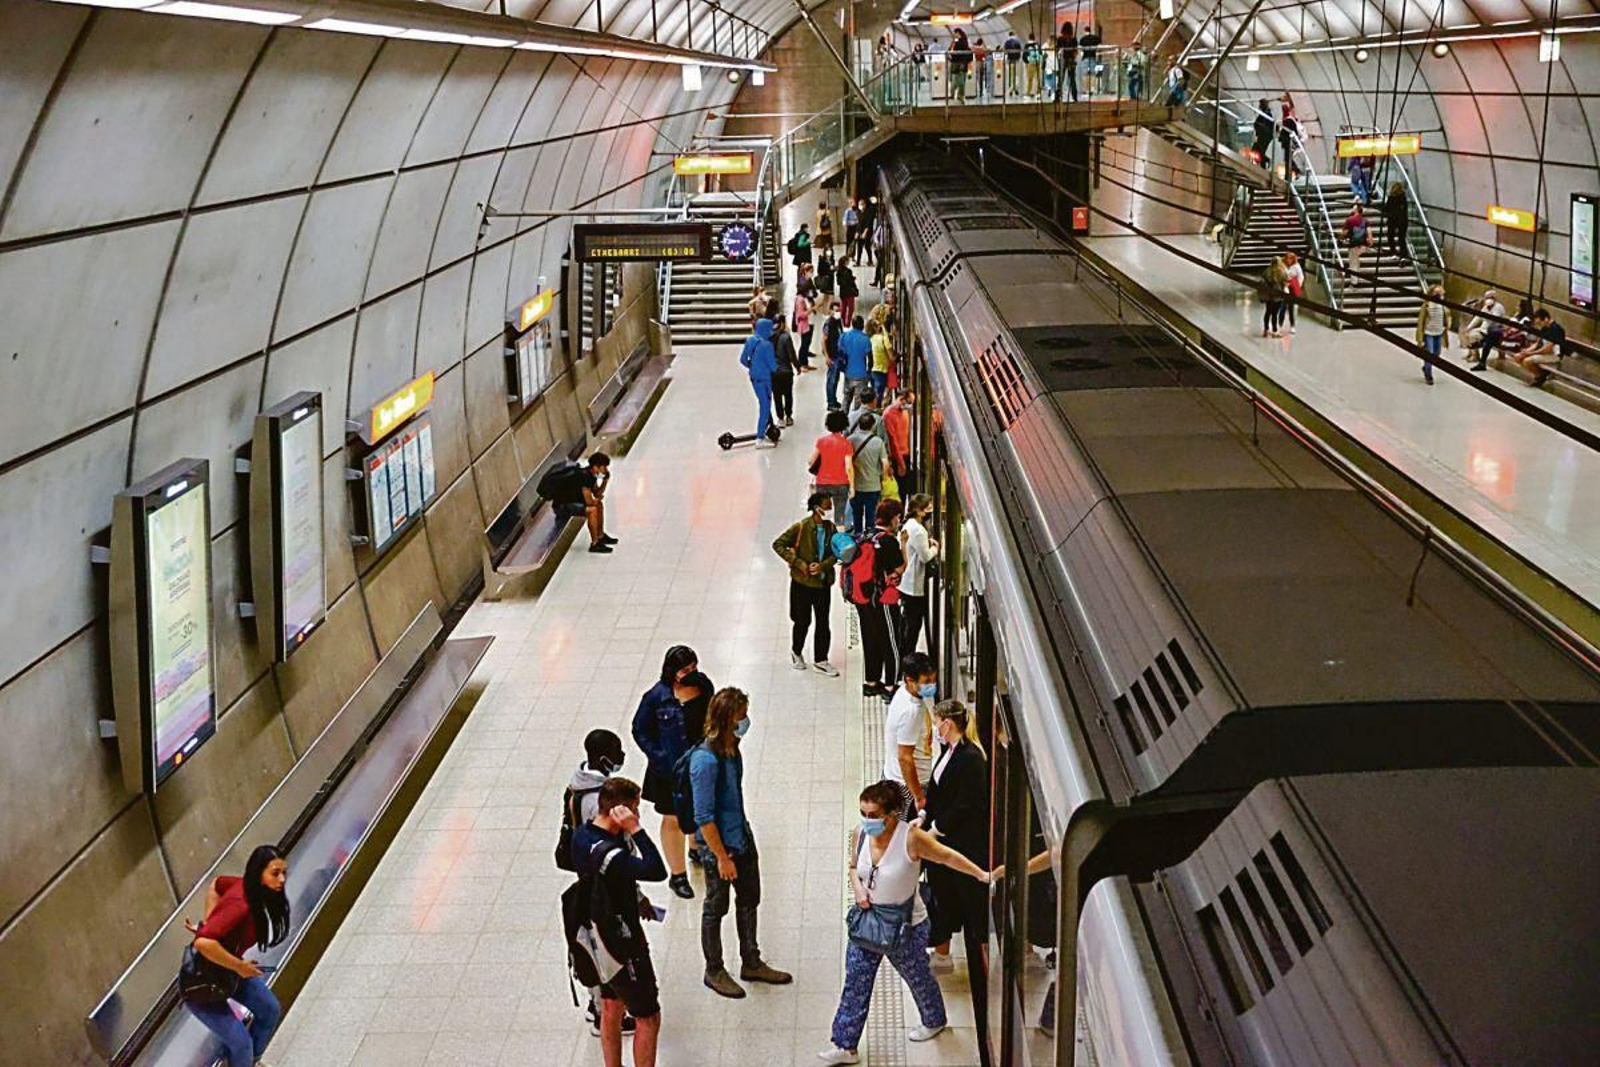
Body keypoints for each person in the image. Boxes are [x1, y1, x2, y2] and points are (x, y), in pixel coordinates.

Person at [815, 779, 992, 1066]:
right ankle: (845, 1043)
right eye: (863, 813)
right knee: (856, 981)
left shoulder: (910, 838)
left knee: (918, 976)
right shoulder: (860, 834)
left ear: (892, 814)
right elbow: (852, 868)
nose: (867, 820)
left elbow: (946, 856)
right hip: (869, 923)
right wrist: (858, 890)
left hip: (905, 927)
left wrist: (980, 874)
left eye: (874, 815)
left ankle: (934, 1019)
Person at [691, 688, 793, 998]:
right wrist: (722, 857)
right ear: (725, 720)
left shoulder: (732, 749)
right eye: (741, 717)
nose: (745, 722)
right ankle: (714, 969)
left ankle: (751, 960)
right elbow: (704, 817)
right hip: (720, 849)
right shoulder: (705, 761)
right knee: (715, 907)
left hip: (741, 838)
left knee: (749, 900)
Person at [572, 777, 667, 1067]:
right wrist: (636, 830)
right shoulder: (611, 855)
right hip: (622, 944)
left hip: (594, 938)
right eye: (634, 809)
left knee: (611, 1005)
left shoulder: (582, 837)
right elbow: (656, 869)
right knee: (648, 1017)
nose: (637, 815)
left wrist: (636, 898)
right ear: (620, 811)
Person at [561, 729, 640, 1038]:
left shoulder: (577, 785)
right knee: (606, 944)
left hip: (587, 874)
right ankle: (605, 1012)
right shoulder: (596, 800)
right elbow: (616, 845)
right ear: (604, 755)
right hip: (604, 884)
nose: (621, 756)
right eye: (617, 750)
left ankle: (600, 1006)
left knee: (594, 941)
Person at [182, 845, 290, 1067]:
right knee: (241, 1043)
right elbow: (204, 943)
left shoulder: (249, 889)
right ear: (258, 872)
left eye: (283, 873)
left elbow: (216, 883)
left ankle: (248, 1062)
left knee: (269, 1009)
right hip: (202, 981)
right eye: (275, 873)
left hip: (228, 971)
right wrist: (238, 965)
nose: (281, 880)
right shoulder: (241, 904)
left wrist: (211, 922)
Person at [633, 648, 712, 900]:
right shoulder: (656, 697)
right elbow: (640, 730)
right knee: (673, 819)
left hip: (697, 765)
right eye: (685, 670)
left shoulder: (702, 689)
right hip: (668, 771)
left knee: (697, 810)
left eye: (694, 668)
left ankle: (696, 848)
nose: (691, 674)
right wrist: (659, 757)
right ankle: (677, 875)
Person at [924, 700, 990, 984]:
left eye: (937, 722)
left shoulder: (971, 759)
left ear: (947, 724)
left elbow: (965, 804)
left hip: (961, 844)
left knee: (971, 901)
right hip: (944, 842)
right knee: (944, 898)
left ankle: (987, 963)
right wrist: (925, 815)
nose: (935, 728)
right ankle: (942, 956)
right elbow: (940, 790)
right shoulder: (949, 751)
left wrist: (935, 830)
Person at [774, 491, 842, 676]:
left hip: (822, 584)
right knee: (802, 621)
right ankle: (796, 651)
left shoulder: (831, 528)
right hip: (801, 584)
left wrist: (823, 566)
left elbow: (837, 552)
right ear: (816, 508)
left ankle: (821, 659)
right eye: (827, 506)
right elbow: (778, 544)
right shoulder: (801, 527)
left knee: (823, 622)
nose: (830, 510)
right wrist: (798, 563)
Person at [884, 652, 938, 817]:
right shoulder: (911, 711)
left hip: (895, 777)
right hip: (908, 785)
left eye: (933, 679)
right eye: (926, 681)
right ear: (910, 680)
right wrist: (918, 795)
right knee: (907, 835)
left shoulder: (903, 693)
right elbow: (905, 757)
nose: (932, 685)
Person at [543, 452, 617, 553]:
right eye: (604, 467)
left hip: (572, 502)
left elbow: (597, 493)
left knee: (598, 505)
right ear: (596, 467)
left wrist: (605, 481)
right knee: (592, 510)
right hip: (562, 506)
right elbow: (590, 502)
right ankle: (595, 544)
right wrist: (596, 500)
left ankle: (601, 535)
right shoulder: (584, 477)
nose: (606, 470)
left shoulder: (591, 475)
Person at [898, 493, 938, 657]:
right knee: (914, 624)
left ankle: (904, 653)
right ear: (919, 511)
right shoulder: (919, 531)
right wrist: (936, 547)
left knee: (907, 621)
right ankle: (908, 656)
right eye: (928, 508)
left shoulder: (909, 524)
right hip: (914, 585)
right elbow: (925, 556)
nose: (931, 511)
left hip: (905, 582)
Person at [849, 413, 890, 538]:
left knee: (856, 514)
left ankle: (857, 537)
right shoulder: (878, 442)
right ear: (873, 426)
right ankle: (869, 539)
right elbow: (885, 463)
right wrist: (882, 476)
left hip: (855, 486)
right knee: (871, 515)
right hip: (873, 486)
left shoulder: (850, 440)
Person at [739, 318, 778, 446]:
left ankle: (765, 427)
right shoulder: (767, 345)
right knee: (765, 406)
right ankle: (760, 438)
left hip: (754, 378)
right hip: (765, 379)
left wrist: (753, 365)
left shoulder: (750, 340)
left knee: (763, 404)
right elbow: (773, 366)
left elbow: (743, 359)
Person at [811, 409, 855, 522]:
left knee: (820, 514)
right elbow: (849, 467)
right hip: (841, 484)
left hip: (822, 483)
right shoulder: (846, 444)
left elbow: (811, 461)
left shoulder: (821, 441)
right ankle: (837, 535)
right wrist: (852, 487)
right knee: (840, 516)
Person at [1515, 308, 1567, 386]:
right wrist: (1526, 351)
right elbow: (1538, 343)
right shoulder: (1544, 328)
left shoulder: (1557, 330)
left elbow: (1548, 349)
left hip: (1553, 355)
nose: (1540, 325)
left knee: (1527, 361)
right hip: (1543, 352)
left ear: (1545, 319)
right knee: (1518, 357)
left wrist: (1530, 353)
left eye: (1540, 323)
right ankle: (1541, 374)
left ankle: (1540, 377)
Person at [1415, 283, 1447, 386]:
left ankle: (1426, 367)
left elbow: (1446, 317)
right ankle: (1429, 375)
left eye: (1439, 292)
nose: (1438, 294)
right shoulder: (1427, 305)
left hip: (1438, 332)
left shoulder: (1442, 305)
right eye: (1436, 292)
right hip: (1428, 332)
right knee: (1429, 353)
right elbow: (1421, 322)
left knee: (1436, 354)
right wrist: (1420, 339)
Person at [771, 314, 800, 427]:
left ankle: (780, 418)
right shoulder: (786, 337)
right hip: (786, 371)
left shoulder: (769, 336)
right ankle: (788, 416)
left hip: (774, 372)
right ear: (783, 324)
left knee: (777, 396)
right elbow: (791, 354)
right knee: (788, 395)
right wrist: (797, 366)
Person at [882, 389, 912, 490]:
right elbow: (892, 441)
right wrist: (901, 463)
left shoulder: (904, 412)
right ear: (901, 399)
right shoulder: (889, 414)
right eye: (909, 402)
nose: (910, 406)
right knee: (900, 489)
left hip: (906, 454)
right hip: (897, 457)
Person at [839, 315, 872, 399]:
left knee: (846, 398)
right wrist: (868, 372)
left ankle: (844, 412)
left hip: (848, 373)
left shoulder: (844, 336)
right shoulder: (866, 339)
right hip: (862, 374)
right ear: (862, 325)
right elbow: (870, 359)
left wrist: (843, 368)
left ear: (852, 324)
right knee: (859, 401)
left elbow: (840, 354)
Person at [1261, 255, 1289, 338]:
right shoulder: (1281, 272)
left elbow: (1263, 280)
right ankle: (1274, 330)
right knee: (1275, 314)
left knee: (1268, 312)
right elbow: (1285, 283)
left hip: (1268, 295)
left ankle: (1266, 329)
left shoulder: (1267, 271)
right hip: (1278, 296)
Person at [1342, 202, 1374, 273]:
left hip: (1353, 245)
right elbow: (1369, 233)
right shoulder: (1365, 220)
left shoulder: (1349, 220)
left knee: (1353, 264)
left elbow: (1344, 233)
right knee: (1356, 261)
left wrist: (1345, 237)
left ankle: (1354, 283)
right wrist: (1371, 242)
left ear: (1355, 210)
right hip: (1362, 245)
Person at [1383, 181, 1410, 260]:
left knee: (1390, 236)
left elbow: (1386, 209)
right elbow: (1405, 210)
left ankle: (1393, 252)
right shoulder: (1403, 197)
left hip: (1392, 219)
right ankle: (1403, 254)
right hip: (1403, 220)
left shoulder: (1391, 198)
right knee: (1401, 237)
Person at [866, 320, 891, 401]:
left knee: (875, 392)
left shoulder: (868, 339)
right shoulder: (881, 339)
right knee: (878, 395)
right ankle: (876, 410)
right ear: (875, 327)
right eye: (878, 325)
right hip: (880, 369)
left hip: (870, 370)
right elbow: (891, 356)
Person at [1278, 97, 1301, 180]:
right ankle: (1289, 175)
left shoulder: (1288, 120)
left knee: (1288, 159)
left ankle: (1294, 172)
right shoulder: (1288, 120)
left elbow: (1290, 132)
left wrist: (1282, 137)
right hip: (1288, 142)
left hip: (1288, 143)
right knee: (1288, 159)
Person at [1055, 22, 1078, 102]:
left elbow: (1057, 49)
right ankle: (1075, 96)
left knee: (1061, 79)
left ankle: (1057, 97)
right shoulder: (1073, 39)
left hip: (1063, 60)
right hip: (1070, 59)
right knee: (1072, 79)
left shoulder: (1060, 39)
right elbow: (1075, 50)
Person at [1282, 251, 1305, 333]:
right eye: (1287, 258)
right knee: (1283, 307)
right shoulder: (1284, 266)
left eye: (1289, 258)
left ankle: (1292, 325)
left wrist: (1294, 284)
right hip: (1285, 287)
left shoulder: (1296, 267)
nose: (1288, 260)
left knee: (1291, 307)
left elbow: (1301, 278)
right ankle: (1279, 324)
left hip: (1293, 288)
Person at [949, 29, 973, 103]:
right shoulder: (965, 42)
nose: (953, 35)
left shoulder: (957, 43)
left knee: (957, 80)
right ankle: (957, 95)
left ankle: (957, 95)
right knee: (959, 80)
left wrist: (950, 57)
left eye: (954, 33)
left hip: (956, 64)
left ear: (957, 33)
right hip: (963, 64)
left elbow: (953, 53)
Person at [1078, 24, 1101, 97]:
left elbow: (1080, 49)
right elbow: (1099, 45)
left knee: (1085, 74)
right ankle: (1092, 89)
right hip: (1093, 57)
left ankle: (1087, 90)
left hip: (1085, 58)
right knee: (1093, 74)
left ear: (1085, 31)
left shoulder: (1082, 39)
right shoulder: (1095, 38)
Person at [1251, 98, 1275, 168]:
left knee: (1258, 149)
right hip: (1266, 136)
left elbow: (1261, 124)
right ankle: (1263, 164)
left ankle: (1264, 163)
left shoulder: (1265, 114)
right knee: (1259, 150)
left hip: (1264, 136)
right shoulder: (1266, 113)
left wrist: (1257, 125)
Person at [836, 257, 859, 325]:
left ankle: (843, 322)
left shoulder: (839, 271)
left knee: (843, 308)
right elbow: (850, 281)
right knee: (851, 308)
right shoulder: (848, 271)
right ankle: (848, 322)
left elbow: (838, 282)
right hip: (850, 291)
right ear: (845, 262)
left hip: (843, 292)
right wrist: (852, 279)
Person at [816, 249, 836, 316]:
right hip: (825, 281)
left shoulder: (832, 260)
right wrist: (828, 270)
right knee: (827, 296)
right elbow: (819, 270)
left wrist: (833, 269)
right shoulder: (822, 261)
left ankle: (825, 310)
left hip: (830, 281)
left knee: (829, 296)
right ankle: (825, 311)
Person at [1003, 31, 1023, 96]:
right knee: (1017, 75)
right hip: (1017, 61)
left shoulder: (1007, 42)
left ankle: (1011, 90)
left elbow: (1005, 52)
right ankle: (1016, 89)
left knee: (1011, 76)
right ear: (1014, 34)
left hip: (1010, 61)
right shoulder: (1017, 42)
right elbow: (1020, 50)